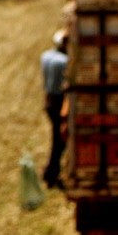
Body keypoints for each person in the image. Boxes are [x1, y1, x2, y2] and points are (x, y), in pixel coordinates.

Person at [40, 28, 69, 189]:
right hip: (59, 102)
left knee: (56, 137)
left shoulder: (45, 56)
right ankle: (51, 172)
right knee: (59, 139)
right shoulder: (64, 61)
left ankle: (50, 171)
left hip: (48, 99)